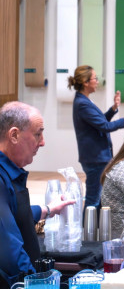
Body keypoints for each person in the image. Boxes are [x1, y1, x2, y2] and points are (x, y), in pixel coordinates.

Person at [0, 102, 75, 288]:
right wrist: (38, 283)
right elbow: (10, 250)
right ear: (14, 135)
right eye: (37, 134)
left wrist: (48, 209)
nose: (42, 142)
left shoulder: (9, 173)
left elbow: (16, 213)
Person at [68, 65, 124, 213]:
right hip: (95, 158)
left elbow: (100, 122)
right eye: (95, 78)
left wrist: (113, 109)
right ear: (86, 82)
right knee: (93, 200)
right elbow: (105, 126)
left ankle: (96, 227)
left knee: (99, 199)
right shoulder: (82, 103)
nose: (97, 81)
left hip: (98, 157)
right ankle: (88, 228)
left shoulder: (84, 101)